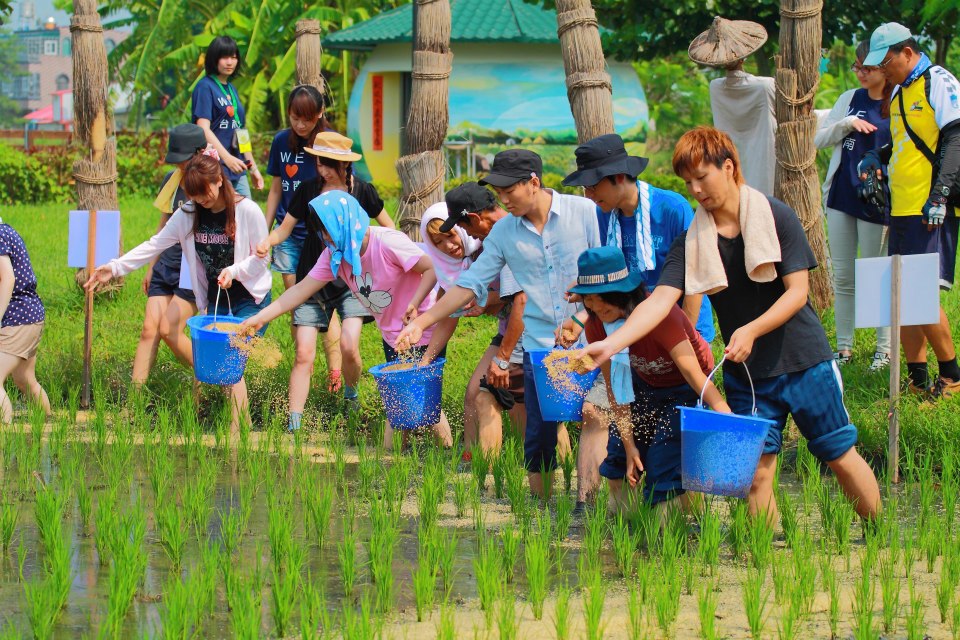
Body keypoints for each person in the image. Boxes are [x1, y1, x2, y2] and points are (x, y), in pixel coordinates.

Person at [578, 127, 881, 523]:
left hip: (805, 362)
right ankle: (765, 554)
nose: (696, 190)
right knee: (754, 475)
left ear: (729, 167)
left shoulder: (775, 215)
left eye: (702, 177)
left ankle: (878, 533)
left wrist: (752, 329)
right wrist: (612, 344)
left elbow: (798, 293)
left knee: (838, 453)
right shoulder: (693, 241)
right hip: (749, 374)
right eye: (688, 182)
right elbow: (660, 302)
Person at [396, 149, 602, 499]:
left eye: (509, 191)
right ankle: (542, 512)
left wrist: (583, 315)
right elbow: (470, 283)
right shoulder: (504, 233)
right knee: (539, 435)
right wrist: (423, 321)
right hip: (539, 349)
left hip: (595, 341)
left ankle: (587, 505)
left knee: (594, 416)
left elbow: (608, 271)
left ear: (533, 182)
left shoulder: (584, 213)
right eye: (499, 192)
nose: (503, 200)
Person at [559, 133, 717, 506]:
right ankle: (618, 508)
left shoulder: (672, 208)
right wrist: (584, 314)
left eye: (593, 185)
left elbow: (694, 274)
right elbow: (611, 284)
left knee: (673, 442)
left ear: (618, 177)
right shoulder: (605, 215)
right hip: (627, 338)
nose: (588, 195)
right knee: (625, 426)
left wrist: (681, 332)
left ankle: (684, 517)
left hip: (678, 335)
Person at [243, 191, 451, 448]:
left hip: (422, 329)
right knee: (403, 405)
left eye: (328, 230)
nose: (325, 237)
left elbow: (430, 268)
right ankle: (403, 461)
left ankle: (439, 456)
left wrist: (415, 305)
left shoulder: (386, 242)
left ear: (345, 222)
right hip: (393, 336)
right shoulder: (336, 256)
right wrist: (259, 318)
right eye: (321, 232)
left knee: (421, 403)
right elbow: (299, 291)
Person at [85, 152, 272, 433]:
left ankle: (237, 434)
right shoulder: (188, 214)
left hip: (250, 297)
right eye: (195, 196)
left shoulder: (247, 211)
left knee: (229, 360)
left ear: (219, 180)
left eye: (205, 193)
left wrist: (234, 272)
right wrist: (114, 267)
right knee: (227, 366)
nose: (202, 200)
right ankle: (241, 429)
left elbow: (262, 259)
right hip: (217, 298)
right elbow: (155, 244)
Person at [570, 246, 729, 512]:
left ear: (622, 292)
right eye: (588, 300)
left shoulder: (660, 315)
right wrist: (630, 446)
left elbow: (694, 374)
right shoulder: (597, 324)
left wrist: (725, 415)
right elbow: (615, 387)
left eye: (600, 298)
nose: (594, 307)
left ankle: (676, 527)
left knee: (663, 467)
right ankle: (625, 529)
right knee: (618, 464)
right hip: (643, 384)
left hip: (684, 388)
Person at [256, 131, 390, 430]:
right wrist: (267, 241)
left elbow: (387, 228)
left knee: (349, 345)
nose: (323, 169)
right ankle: (294, 424)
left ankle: (351, 396)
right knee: (304, 352)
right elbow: (285, 229)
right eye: (319, 162)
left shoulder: (362, 191)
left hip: (353, 280)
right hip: (314, 276)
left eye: (329, 163)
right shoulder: (308, 189)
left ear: (345, 164)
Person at [859, 22, 960, 398]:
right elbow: (902, 143)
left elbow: (956, 137)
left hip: (929, 208)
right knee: (899, 297)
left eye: (886, 63)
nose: (883, 71)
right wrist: (875, 156)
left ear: (907, 52)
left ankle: (951, 378)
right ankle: (918, 382)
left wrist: (941, 195)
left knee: (919, 296)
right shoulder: (900, 90)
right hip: (899, 209)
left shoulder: (939, 81)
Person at [418, 194, 525, 454]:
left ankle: (528, 462)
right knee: (475, 394)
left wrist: (486, 300)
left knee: (505, 401)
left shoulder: (490, 247)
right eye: (437, 242)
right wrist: (426, 360)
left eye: (451, 235)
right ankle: (470, 457)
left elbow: (521, 294)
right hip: (506, 332)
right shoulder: (455, 269)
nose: (447, 246)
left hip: (526, 331)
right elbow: (448, 316)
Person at [815, 41, 893, 371]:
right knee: (844, 277)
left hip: (878, 201)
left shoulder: (897, 100)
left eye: (868, 68)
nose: (861, 73)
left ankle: (884, 350)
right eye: (857, 67)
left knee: (876, 275)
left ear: (885, 68)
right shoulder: (850, 99)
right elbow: (818, 140)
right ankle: (844, 348)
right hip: (841, 196)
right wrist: (846, 124)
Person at [131, 123, 204, 386]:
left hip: (191, 268)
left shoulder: (211, 181)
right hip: (166, 263)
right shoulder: (171, 180)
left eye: (184, 160)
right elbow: (163, 225)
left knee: (170, 330)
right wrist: (152, 265)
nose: (180, 166)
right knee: (149, 329)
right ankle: (135, 401)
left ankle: (211, 376)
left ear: (200, 152)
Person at [689, 17, 776, 196]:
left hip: (731, 163)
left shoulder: (715, 87)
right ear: (744, 57)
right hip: (766, 161)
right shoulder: (765, 86)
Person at [264, 85, 327, 291]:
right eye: (294, 118)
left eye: (307, 119)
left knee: (321, 296)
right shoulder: (281, 141)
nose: (300, 125)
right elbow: (276, 189)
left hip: (320, 232)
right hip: (286, 229)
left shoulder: (329, 142)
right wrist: (266, 229)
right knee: (293, 297)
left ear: (320, 113)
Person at [192, 35, 263, 197]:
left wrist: (253, 168)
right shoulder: (205, 87)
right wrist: (227, 159)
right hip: (215, 168)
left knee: (247, 210)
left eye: (233, 57)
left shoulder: (232, 89)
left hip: (238, 168)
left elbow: (241, 132)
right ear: (214, 59)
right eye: (224, 57)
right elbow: (203, 128)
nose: (230, 62)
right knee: (224, 211)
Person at [0, 219, 50, 423]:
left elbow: (8, 278)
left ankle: (4, 435)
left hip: (18, 318)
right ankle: (48, 428)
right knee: (25, 379)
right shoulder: (5, 231)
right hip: (29, 316)